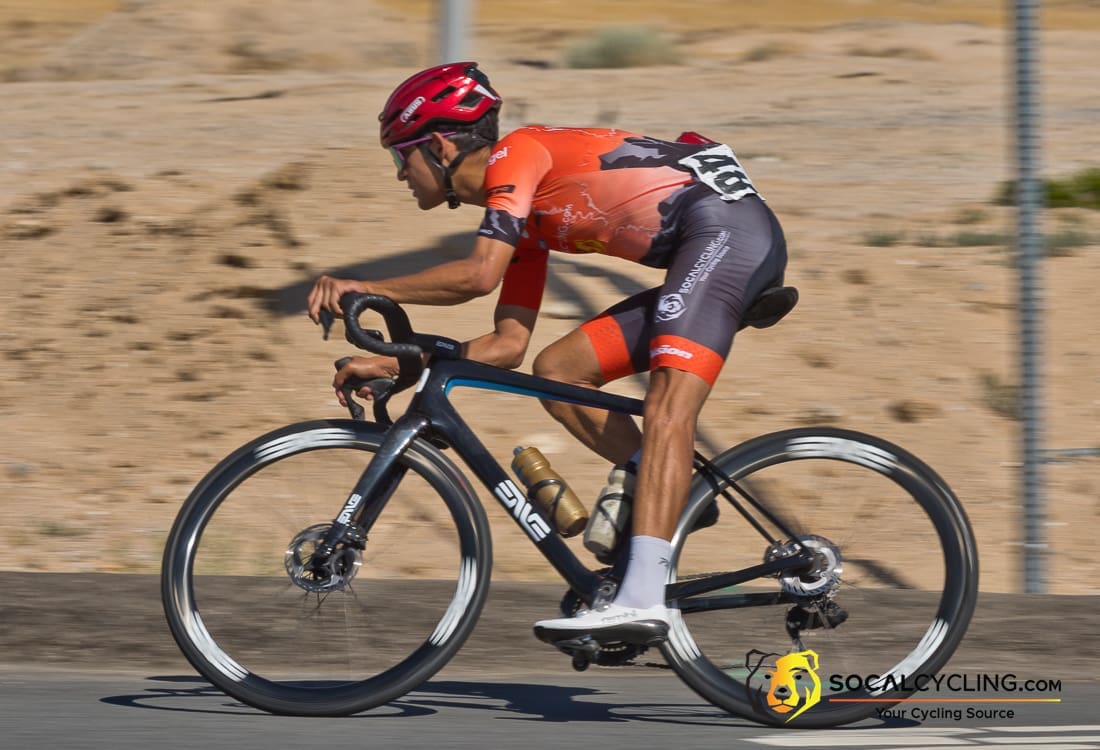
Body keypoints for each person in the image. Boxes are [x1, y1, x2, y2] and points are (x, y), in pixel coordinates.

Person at [307, 62, 789, 646]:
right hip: (712, 241)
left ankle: (643, 597)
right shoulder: (523, 214)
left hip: (726, 235)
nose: (398, 176)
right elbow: (506, 346)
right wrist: (395, 365)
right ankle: (672, 489)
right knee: (559, 370)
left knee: (666, 409)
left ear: (436, 146)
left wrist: (365, 288)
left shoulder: (519, 154)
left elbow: (478, 275)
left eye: (399, 158)